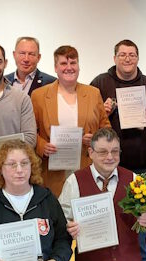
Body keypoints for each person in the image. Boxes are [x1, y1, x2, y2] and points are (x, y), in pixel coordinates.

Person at [90, 39, 146, 261]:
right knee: (111, 215)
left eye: (132, 54)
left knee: (141, 216)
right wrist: (104, 111)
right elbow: (91, 118)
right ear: (115, 58)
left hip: (143, 163)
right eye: (122, 54)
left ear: (138, 58)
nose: (127, 59)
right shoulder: (100, 83)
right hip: (109, 165)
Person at [58, 127, 146, 261]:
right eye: (103, 152)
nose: (109, 157)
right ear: (91, 152)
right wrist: (69, 227)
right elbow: (62, 219)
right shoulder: (75, 181)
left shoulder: (134, 179)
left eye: (114, 151)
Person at [31, 45, 110, 196]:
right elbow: (30, 132)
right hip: (53, 171)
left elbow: (107, 129)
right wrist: (42, 146)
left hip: (86, 167)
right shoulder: (39, 96)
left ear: (79, 66)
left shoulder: (93, 93)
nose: (69, 67)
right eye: (63, 63)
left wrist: (95, 139)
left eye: (73, 63)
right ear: (55, 67)